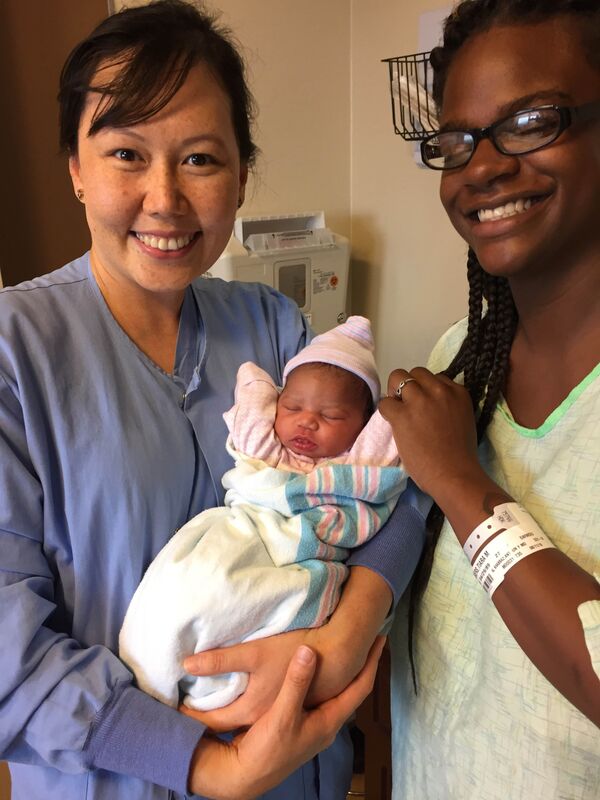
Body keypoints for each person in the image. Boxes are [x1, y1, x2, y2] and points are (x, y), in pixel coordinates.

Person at [0, 2, 428, 799]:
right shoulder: (15, 355)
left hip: (302, 773)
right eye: (126, 154)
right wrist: (208, 765)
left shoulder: (275, 327)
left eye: (200, 159)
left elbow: (395, 487)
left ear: (241, 176)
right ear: (76, 169)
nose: (165, 198)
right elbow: (6, 647)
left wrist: (347, 632)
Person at [378, 1, 600, 798]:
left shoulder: (453, 443)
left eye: (532, 121)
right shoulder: (458, 360)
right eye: (456, 141)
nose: (481, 167)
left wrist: (460, 483)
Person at [119, 316, 405, 712]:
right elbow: (251, 397)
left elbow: (391, 434)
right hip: (249, 526)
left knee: (248, 602)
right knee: (189, 586)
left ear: (361, 425)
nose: (307, 421)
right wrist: (261, 390)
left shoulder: (353, 469)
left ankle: (218, 680)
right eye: (293, 406)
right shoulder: (270, 452)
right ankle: (156, 671)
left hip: (304, 548)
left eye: (331, 416)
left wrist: (394, 399)